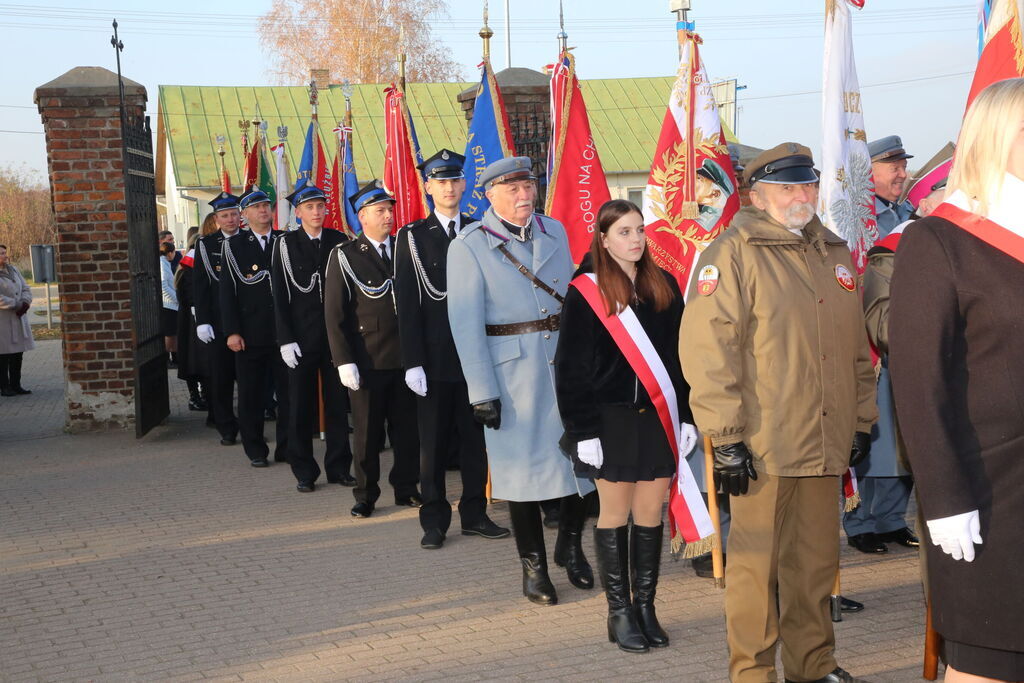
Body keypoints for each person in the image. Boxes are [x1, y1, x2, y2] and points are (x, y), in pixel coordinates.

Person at [681, 143, 877, 683]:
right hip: (764, 443)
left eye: (807, 185)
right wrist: (726, 436)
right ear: (758, 194)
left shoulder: (834, 252)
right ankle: (752, 672)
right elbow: (708, 350)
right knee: (754, 571)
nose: (801, 196)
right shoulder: (732, 252)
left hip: (825, 438)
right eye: (788, 187)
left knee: (814, 567)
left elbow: (856, 348)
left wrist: (862, 419)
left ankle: (813, 667)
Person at [889, 77, 1024, 683]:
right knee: (990, 658)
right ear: (1001, 139)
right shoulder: (940, 240)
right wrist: (943, 499)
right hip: (990, 491)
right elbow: (920, 384)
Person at [447, 156, 596, 607]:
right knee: (520, 477)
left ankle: (569, 545)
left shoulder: (555, 231)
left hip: (563, 366)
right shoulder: (469, 245)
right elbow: (464, 323)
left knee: (579, 466)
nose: (524, 196)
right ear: (489, 195)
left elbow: (573, 301)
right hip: (512, 376)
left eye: (528, 187)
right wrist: (481, 391)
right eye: (512, 189)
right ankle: (533, 566)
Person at [554, 199, 693, 653]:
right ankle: (618, 613)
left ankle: (646, 606)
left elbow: (679, 359)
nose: (635, 240)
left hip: (657, 418)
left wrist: (687, 414)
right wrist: (581, 430)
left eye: (639, 230)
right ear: (604, 239)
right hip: (608, 421)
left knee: (650, 514)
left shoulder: (664, 285)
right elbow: (571, 368)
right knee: (615, 514)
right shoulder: (586, 290)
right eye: (624, 233)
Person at [394, 149, 509, 549]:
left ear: (464, 185)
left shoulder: (479, 230)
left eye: (454, 180)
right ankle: (434, 519)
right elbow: (407, 303)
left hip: (476, 358)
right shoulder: (411, 237)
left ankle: (475, 513)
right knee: (434, 444)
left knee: (476, 441)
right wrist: (412, 362)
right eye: (440, 181)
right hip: (434, 359)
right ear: (428, 187)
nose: (448, 187)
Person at [324, 180, 421, 518]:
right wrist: (343, 361)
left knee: (407, 430)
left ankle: (406, 488)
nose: (388, 216)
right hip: (367, 358)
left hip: (405, 358)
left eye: (390, 210)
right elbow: (334, 314)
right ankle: (365, 494)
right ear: (362, 216)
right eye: (380, 211)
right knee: (367, 435)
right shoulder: (346, 256)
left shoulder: (407, 249)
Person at [843, 135, 919, 555]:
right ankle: (860, 522)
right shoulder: (858, 220)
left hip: (908, 339)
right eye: (893, 167)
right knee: (874, 438)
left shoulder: (909, 214)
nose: (902, 174)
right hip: (870, 344)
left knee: (905, 435)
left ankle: (891, 519)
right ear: (868, 170)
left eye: (903, 166)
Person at [271, 182, 355, 492]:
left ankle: (339, 467)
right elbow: (279, 294)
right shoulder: (285, 244)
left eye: (321, 206)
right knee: (299, 407)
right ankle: (304, 470)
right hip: (301, 339)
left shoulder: (338, 241)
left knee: (337, 406)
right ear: (298, 212)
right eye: (310, 207)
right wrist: (285, 338)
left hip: (335, 338)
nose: (317, 212)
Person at [219, 186, 289, 468]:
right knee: (251, 395)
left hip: (284, 334)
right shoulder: (234, 246)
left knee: (288, 394)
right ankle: (255, 449)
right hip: (250, 333)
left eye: (266, 206)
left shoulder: (286, 241)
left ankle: (287, 446)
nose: (264, 211)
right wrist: (232, 331)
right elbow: (227, 293)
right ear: (245, 215)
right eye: (256, 207)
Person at [193, 193, 242, 446]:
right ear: (216, 219)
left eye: (234, 214)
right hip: (217, 322)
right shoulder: (206, 245)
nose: (231, 219)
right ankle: (226, 427)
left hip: (245, 322)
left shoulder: (249, 241)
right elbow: (200, 285)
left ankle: (248, 423)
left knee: (246, 378)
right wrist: (202, 320)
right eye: (225, 216)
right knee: (220, 378)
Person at [175, 224, 211, 415]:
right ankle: (196, 396)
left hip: (191, 317)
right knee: (194, 360)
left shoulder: (185, 264)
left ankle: (201, 394)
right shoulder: (189, 264)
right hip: (191, 319)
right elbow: (187, 294)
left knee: (197, 360)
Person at [0, 244, 35, 396]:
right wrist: (15, 304)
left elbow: (26, 287)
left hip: (19, 318)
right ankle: (4, 387)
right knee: (3, 355)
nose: (4, 255)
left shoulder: (14, 269)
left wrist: (26, 302)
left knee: (17, 354)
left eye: (4, 252)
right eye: (1, 253)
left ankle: (16, 384)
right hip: (3, 321)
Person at [160, 242, 179, 368]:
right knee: (169, 333)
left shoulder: (165, 263)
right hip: (168, 305)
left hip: (172, 305)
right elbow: (163, 286)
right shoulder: (162, 264)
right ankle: (166, 359)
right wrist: (176, 298)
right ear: (170, 253)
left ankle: (175, 357)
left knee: (173, 333)